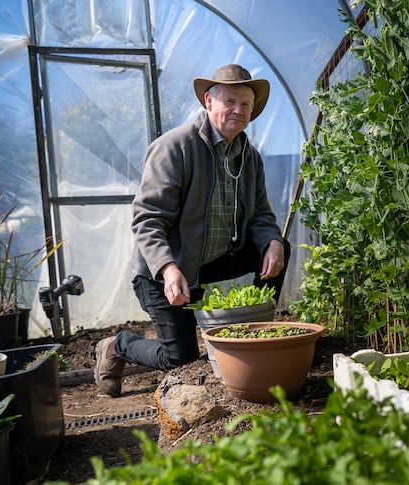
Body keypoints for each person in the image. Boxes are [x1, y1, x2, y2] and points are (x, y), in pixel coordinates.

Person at [94, 64, 290, 397]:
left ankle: (253, 333)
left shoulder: (249, 158)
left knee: (276, 245)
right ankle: (116, 346)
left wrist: (272, 242)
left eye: (245, 104)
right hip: (163, 270)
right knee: (179, 357)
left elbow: (261, 217)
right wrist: (169, 270)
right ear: (209, 101)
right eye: (230, 101)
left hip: (210, 263)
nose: (238, 110)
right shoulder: (176, 148)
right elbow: (147, 218)